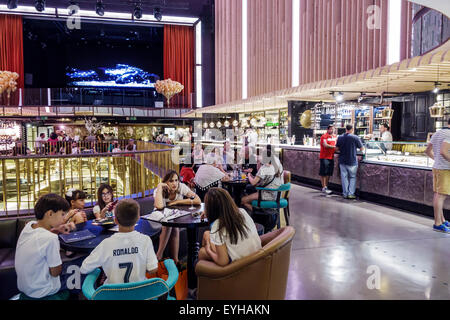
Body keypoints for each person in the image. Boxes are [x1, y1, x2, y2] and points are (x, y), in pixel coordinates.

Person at [80, 199, 158, 284]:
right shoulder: (145, 240)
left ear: (115, 220)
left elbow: (84, 268)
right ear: (138, 219)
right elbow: (153, 269)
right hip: (140, 293)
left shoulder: (106, 244)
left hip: (113, 294)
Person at [15, 194, 75, 300]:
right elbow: (56, 272)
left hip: (27, 286)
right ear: (50, 213)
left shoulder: (29, 226)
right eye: (62, 214)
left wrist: (56, 230)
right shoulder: (50, 238)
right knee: (79, 268)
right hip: (43, 290)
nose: (64, 219)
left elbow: (41, 237)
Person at [198, 188, 261, 266]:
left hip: (238, 266)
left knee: (202, 252)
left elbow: (223, 261)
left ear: (210, 208)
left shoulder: (218, 225)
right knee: (207, 234)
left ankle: (202, 273)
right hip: (256, 259)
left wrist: (208, 250)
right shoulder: (242, 211)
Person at [154, 170, 201, 263]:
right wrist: (159, 187)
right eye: (171, 181)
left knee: (173, 226)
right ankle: (159, 255)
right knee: (170, 224)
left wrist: (177, 201)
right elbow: (159, 206)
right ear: (165, 182)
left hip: (173, 217)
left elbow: (198, 200)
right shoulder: (159, 190)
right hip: (157, 219)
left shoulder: (181, 187)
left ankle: (175, 260)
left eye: (176, 180)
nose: (174, 183)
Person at [241, 145, 284, 213]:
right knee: (250, 193)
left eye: (261, 154)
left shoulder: (264, 168)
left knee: (243, 200)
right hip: (277, 193)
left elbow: (253, 183)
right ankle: (259, 210)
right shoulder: (276, 164)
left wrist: (249, 175)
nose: (259, 156)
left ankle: (259, 215)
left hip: (267, 194)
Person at [425, 118, 450, 233]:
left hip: (437, 167)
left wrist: (437, 160)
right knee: (441, 196)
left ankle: (442, 220)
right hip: (444, 169)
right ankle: (437, 223)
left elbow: (427, 151)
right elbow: (443, 152)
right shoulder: (449, 134)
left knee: (438, 195)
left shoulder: (438, 133)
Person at [335, 124, 365, 200]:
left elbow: (336, 149)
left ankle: (345, 194)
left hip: (342, 160)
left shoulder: (340, 137)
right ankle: (351, 194)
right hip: (352, 161)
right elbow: (362, 148)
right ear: (352, 129)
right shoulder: (355, 137)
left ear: (346, 129)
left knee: (344, 177)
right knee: (352, 177)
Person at [319, 125, 337, 195]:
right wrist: (334, 147)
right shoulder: (324, 136)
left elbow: (337, 145)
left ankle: (326, 186)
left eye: (333, 129)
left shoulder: (335, 137)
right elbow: (325, 145)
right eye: (331, 129)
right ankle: (324, 187)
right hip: (324, 157)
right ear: (328, 129)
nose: (332, 131)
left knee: (329, 173)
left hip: (331, 157)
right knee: (323, 173)